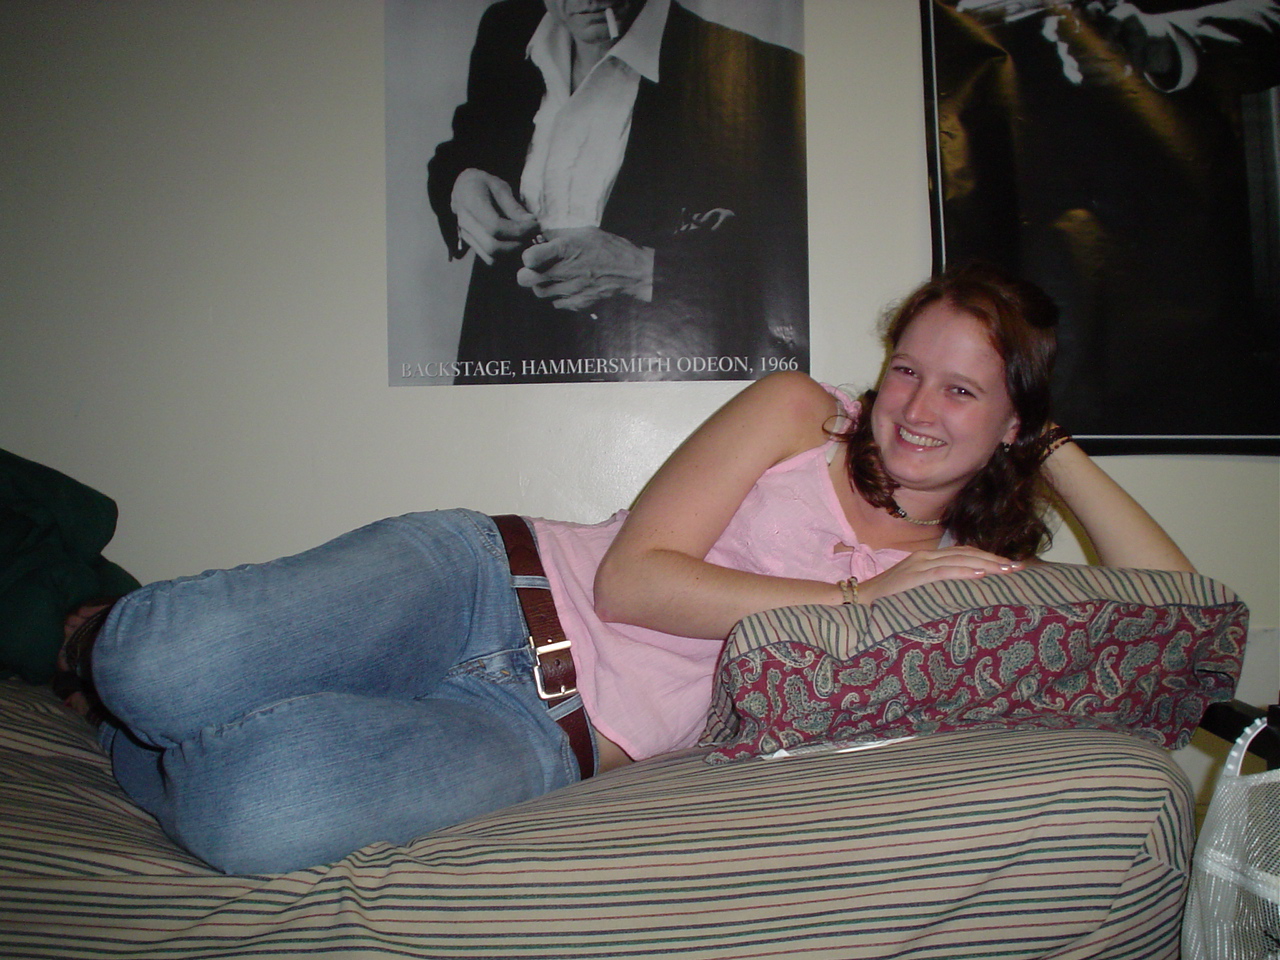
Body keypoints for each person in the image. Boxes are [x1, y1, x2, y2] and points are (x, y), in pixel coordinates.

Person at [59, 262, 1193, 874]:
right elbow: (633, 583)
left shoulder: (966, 579)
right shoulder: (800, 412)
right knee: (155, 658)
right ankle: (96, 647)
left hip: (547, 739)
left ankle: (115, 728)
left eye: (963, 389)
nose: (915, 406)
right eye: (906, 368)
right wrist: (857, 601)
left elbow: (1179, 621)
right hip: (484, 583)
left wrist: (1055, 448)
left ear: (1009, 421)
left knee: (251, 817)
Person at [426, 0, 808, 384]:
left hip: (653, 395)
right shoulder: (506, 31)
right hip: (498, 379)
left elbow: (790, 280)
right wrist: (460, 187)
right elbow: (463, 148)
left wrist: (645, 271)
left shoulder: (765, 74)